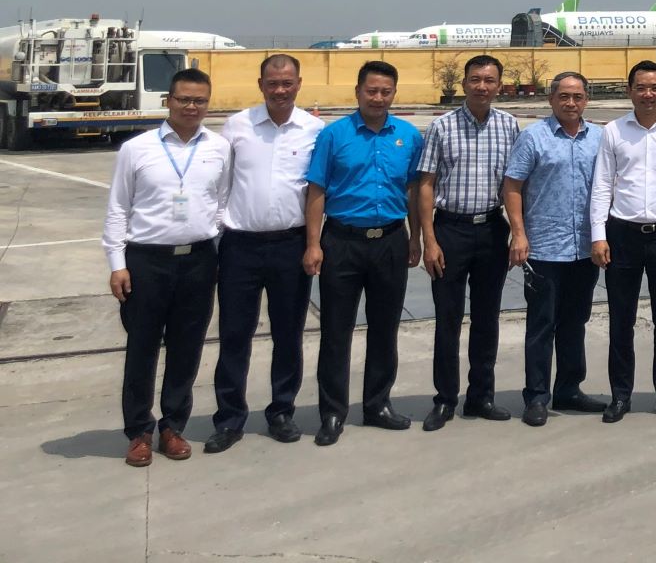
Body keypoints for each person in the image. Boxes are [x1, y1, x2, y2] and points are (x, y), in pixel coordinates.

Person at [103, 68, 233, 466]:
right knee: (142, 349)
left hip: (198, 260)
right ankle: (139, 431)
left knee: (186, 348)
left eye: (199, 100)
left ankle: (173, 426)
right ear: (168, 101)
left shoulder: (219, 147)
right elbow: (118, 208)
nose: (191, 107)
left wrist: (213, 245)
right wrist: (117, 263)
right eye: (184, 99)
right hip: (147, 261)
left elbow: (222, 201)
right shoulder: (136, 149)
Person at [206, 55, 324, 453]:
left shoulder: (314, 130)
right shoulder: (237, 126)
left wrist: (313, 243)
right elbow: (221, 183)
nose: (280, 90)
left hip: (291, 245)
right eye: (273, 83)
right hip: (241, 246)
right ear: (261, 85)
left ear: (299, 84)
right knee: (234, 335)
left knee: (289, 333)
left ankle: (281, 411)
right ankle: (229, 418)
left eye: (287, 83)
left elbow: (316, 191)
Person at [304, 60, 424, 446]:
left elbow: (414, 191)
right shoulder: (333, 135)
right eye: (371, 91)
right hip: (343, 242)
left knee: (385, 328)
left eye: (385, 91)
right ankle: (332, 412)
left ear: (394, 93)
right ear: (357, 92)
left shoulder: (408, 136)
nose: (378, 98)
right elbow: (316, 190)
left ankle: (377, 405)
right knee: (336, 331)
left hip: (391, 240)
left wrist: (416, 238)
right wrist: (313, 243)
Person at [590, 61, 656, 423]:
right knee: (621, 320)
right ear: (629, 91)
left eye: (654, 87)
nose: (648, 94)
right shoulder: (614, 131)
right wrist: (599, 235)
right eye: (640, 87)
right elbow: (602, 184)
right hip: (622, 235)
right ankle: (620, 395)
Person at [416, 55, 520, 430]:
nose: (482, 86)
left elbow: (514, 183)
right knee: (448, 319)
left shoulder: (509, 126)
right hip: (450, 231)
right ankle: (445, 399)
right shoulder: (441, 127)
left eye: (489, 80)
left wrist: (518, 231)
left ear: (499, 85)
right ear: (464, 83)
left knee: (487, 318)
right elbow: (425, 185)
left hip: (491, 229)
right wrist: (429, 239)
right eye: (475, 79)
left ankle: (481, 397)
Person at [503, 71, 608, 427]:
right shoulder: (534, 137)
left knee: (575, 322)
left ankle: (569, 389)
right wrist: (519, 234)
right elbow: (512, 186)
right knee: (541, 324)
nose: (571, 103)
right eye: (564, 96)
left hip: (584, 248)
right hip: (544, 248)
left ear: (586, 100)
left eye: (577, 96)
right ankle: (536, 396)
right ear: (551, 99)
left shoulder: (599, 138)